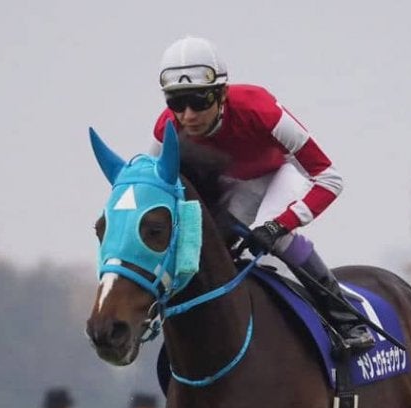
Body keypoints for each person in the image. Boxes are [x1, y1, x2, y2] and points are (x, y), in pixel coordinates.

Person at [152, 35, 375, 353]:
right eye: (176, 103)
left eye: (199, 101)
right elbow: (154, 191)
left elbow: (330, 179)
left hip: (280, 173)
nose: (187, 115)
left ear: (222, 94)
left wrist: (279, 224)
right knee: (208, 245)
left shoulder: (259, 108)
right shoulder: (166, 129)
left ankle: (347, 321)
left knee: (275, 239)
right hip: (236, 185)